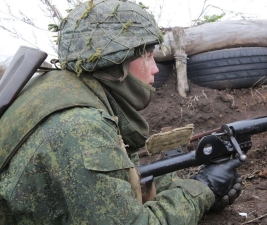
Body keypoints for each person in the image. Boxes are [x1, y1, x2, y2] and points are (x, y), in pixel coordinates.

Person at [0, 0, 242, 224]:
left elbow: (119, 182)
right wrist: (202, 189)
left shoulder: (61, 90)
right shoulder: (81, 127)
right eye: (147, 56)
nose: (156, 69)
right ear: (117, 62)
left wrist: (185, 189)